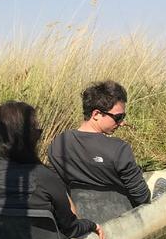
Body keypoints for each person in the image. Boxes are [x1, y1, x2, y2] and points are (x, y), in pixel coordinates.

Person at [0, 101, 105, 239]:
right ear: (29, 139)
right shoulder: (46, 178)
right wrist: (91, 225)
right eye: (37, 133)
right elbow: (71, 228)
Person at [47, 81, 151, 209]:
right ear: (96, 114)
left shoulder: (58, 143)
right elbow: (142, 197)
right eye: (118, 117)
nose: (122, 123)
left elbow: (56, 186)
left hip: (79, 219)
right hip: (121, 216)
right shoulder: (119, 149)